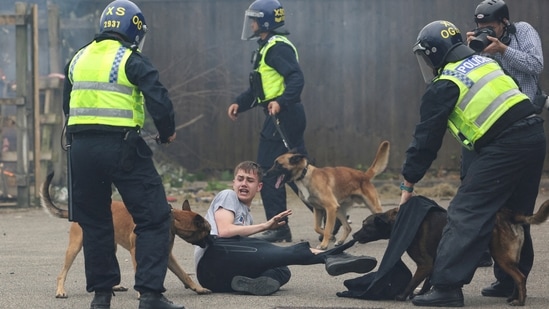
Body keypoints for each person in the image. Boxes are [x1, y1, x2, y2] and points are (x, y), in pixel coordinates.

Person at [399, 20, 545, 307]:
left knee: (465, 213)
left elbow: (426, 139)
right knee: (513, 214)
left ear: (433, 53)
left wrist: (408, 181)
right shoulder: (484, 63)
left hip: (505, 144)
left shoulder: (445, 83)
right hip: (534, 136)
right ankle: (509, 282)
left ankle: (446, 289)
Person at [62, 1, 183, 308]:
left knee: (96, 222)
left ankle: (101, 297)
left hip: (81, 150)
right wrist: (167, 131)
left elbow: (68, 106)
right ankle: (151, 295)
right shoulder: (130, 58)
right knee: (155, 217)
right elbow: (159, 98)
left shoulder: (77, 59)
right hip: (122, 146)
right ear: (134, 30)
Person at [194, 161, 377, 295]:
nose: (243, 184)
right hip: (213, 258)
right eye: (240, 179)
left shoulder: (246, 214)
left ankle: (250, 285)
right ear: (233, 183)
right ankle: (333, 256)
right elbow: (224, 231)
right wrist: (265, 226)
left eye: (249, 180)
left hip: (219, 280)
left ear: (259, 187)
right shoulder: (228, 196)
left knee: (282, 269)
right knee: (271, 250)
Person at [464, 0, 545, 286]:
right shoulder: (482, 47)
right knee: (495, 208)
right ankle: (503, 275)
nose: (486, 32)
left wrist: (503, 50)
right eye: (480, 28)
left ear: (504, 23)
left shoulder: (523, 32)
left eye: (490, 27)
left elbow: (536, 65)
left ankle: (515, 277)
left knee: (518, 209)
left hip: (525, 127)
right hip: (495, 133)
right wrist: (470, 52)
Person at [227, 0, 311, 243]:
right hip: (284, 115)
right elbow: (259, 91)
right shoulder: (267, 47)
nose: (250, 24)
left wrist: (282, 102)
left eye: (253, 19)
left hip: (283, 115)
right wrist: (239, 104)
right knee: (299, 172)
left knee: (268, 170)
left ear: (264, 22)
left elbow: (296, 78)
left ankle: (279, 227)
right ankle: (330, 217)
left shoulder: (276, 48)